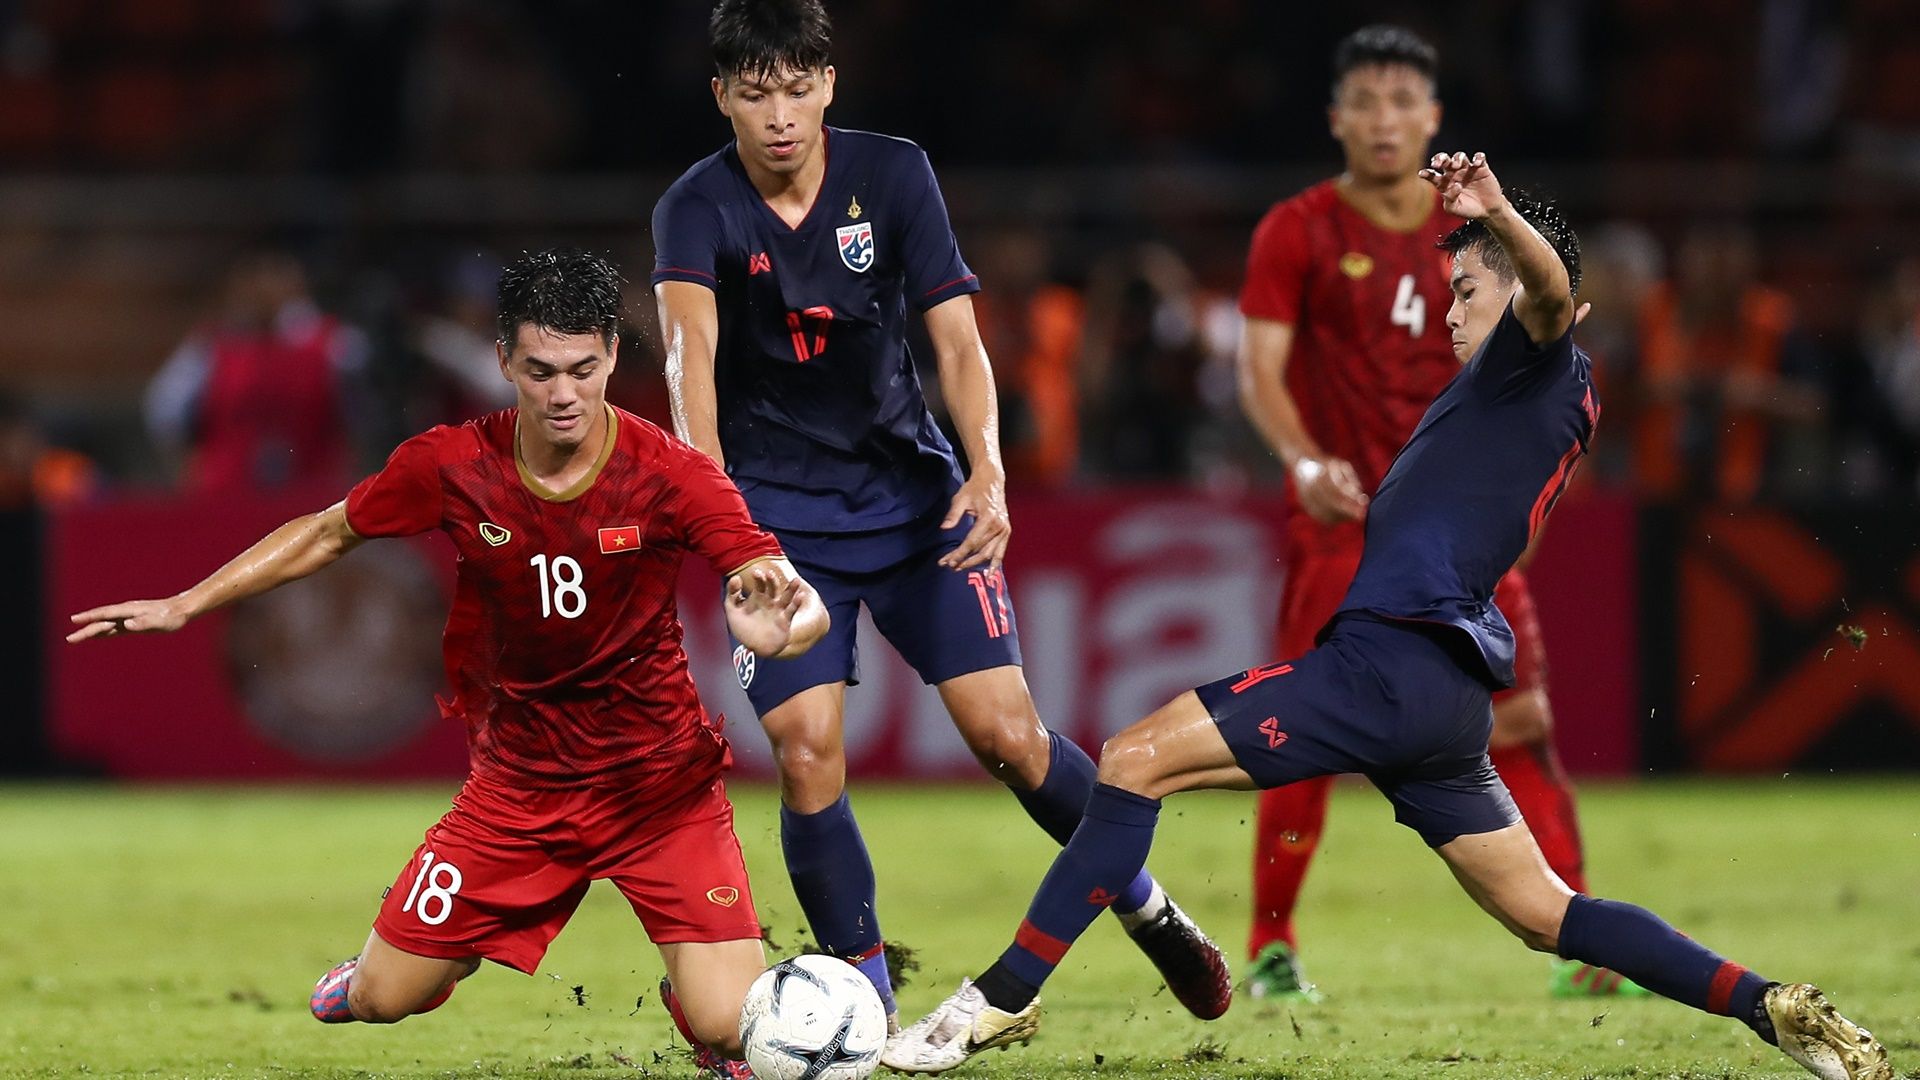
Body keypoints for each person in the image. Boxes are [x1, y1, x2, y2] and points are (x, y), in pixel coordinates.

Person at [882, 156, 1893, 1080]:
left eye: (1465, 290)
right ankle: (1770, 1007)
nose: (1446, 313)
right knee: (1548, 915)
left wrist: (1496, 212)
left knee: (1132, 757)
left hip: (1391, 667)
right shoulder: (1505, 399)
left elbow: (1545, 293)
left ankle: (994, 1001)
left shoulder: (1537, 359)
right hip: (1441, 699)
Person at [70, 250, 826, 1079]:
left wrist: (786, 626)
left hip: (660, 791)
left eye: (582, 369)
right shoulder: (451, 464)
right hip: (518, 795)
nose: (564, 394)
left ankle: (698, 1004)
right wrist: (185, 604)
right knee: (378, 1001)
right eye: (539, 371)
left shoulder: (674, 475)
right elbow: (327, 532)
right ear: (503, 360)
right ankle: (418, 958)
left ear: (612, 353)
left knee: (730, 1029)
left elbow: (781, 586)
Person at [650, 0, 1230, 1029]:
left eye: (796, 87)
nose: (778, 114)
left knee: (1008, 736)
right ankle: (862, 1005)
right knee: (806, 750)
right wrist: (730, 533)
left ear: (829, 84)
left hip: (914, 506)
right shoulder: (695, 206)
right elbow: (687, 371)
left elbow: (958, 345)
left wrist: (990, 470)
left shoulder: (893, 174)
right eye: (753, 92)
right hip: (783, 528)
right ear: (721, 98)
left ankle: (1148, 907)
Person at [1233, 24, 1630, 1000]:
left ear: (1432, 117)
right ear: (1336, 118)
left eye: (1402, 102)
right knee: (1301, 727)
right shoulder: (1298, 230)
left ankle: (1581, 944)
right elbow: (1258, 368)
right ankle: (1271, 947)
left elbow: (1547, 326)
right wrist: (1300, 456)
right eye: (1364, 102)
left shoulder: (1477, 235)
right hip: (1344, 527)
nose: (1383, 120)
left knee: (1522, 720)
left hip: (1462, 544)